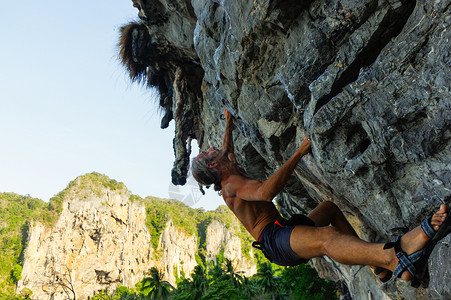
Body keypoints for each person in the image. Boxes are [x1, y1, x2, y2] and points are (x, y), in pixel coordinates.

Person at [191, 108, 450, 287]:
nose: (211, 148)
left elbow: (227, 149)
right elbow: (265, 193)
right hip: (275, 240)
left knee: (328, 209)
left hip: (283, 230)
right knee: (327, 238)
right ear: (213, 166)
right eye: (207, 153)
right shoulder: (231, 185)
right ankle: (392, 257)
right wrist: (299, 153)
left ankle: (377, 266)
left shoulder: (228, 169)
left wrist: (228, 122)